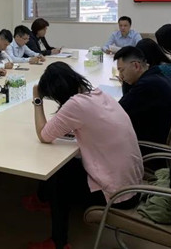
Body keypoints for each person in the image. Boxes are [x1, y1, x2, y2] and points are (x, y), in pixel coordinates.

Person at [27, 62, 143, 249]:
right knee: (65, 163)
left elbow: (43, 135)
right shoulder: (97, 93)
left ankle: (58, 242)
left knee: (58, 175)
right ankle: (43, 199)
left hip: (117, 195)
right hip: (133, 183)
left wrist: (37, 99)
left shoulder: (75, 105)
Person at [114, 46, 171, 144]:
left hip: (152, 144)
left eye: (122, 70)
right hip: (165, 136)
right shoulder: (156, 76)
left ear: (136, 66)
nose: (121, 75)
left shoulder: (147, 86)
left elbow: (118, 112)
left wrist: (125, 83)